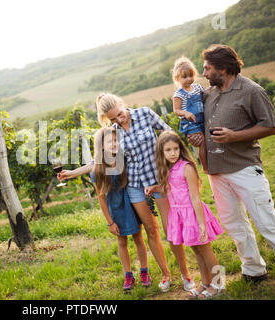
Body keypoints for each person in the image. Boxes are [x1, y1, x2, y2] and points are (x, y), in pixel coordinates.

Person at [59, 93, 196, 293]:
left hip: (158, 180)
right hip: (134, 186)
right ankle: (166, 274)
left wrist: (178, 165)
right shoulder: (113, 132)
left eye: (120, 114)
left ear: (123, 105)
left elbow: (169, 135)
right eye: (113, 119)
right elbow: (99, 160)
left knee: (171, 230)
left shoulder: (145, 114)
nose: (118, 120)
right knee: (151, 230)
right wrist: (71, 173)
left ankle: (185, 274)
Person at [188, 44, 275, 291]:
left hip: (245, 169)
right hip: (217, 172)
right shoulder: (210, 92)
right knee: (235, 224)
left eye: (207, 68)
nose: (203, 73)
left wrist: (235, 136)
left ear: (223, 68)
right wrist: (197, 137)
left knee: (268, 221)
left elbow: (271, 126)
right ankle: (253, 270)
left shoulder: (251, 91)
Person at [146, 131, 224, 299]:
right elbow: (171, 188)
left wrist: (201, 224)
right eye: (168, 150)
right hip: (179, 215)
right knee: (196, 250)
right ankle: (205, 282)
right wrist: (155, 188)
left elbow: (195, 198)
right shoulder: (168, 169)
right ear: (162, 153)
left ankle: (218, 284)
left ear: (180, 149)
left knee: (205, 249)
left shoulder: (186, 167)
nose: (172, 153)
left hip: (193, 214)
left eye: (175, 149)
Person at [91, 127, 152, 291]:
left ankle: (144, 271)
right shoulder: (97, 171)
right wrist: (110, 222)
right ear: (101, 146)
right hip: (117, 209)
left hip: (132, 203)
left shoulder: (124, 158)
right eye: (110, 141)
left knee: (138, 238)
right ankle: (128, 275)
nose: (114, 143)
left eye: (116, 140)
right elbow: (102, 199)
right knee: (121, 241)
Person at [172, 56, 207, 172]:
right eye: (185, 77)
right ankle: (206, 167)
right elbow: (176, 110)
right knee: (202, 143)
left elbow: (206, 97)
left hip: (203, 119)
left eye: (191, 75)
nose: (189, 79)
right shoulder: (179, 94)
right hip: (190, 123)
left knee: (210, 141)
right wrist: (185, 112)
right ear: (177, 78)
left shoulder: (197, 88)